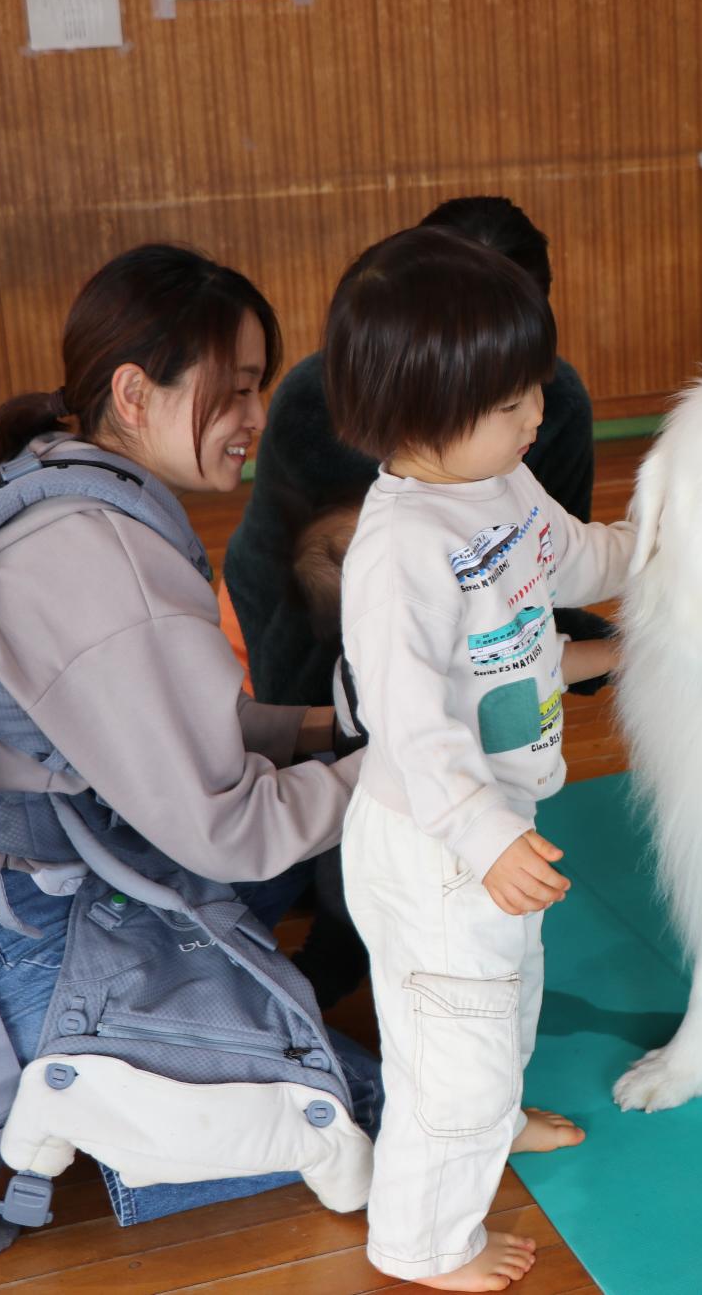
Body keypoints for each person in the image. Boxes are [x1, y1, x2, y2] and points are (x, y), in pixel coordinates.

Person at [0, 244, 379, 1247]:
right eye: (236, 389)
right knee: (360, 1104)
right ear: (133, 392)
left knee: (280, 870)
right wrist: (395, 765)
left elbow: (141, 725)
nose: (255, 416)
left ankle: (17, 1051)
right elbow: (228, 827)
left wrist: (317, 734)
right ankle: (7, 1086)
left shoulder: (39, 471)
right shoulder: (110, 555)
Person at [327, 226, 632, 1290]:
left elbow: (573, 557)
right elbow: (411, 728)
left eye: (531, 387)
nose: (536, 414)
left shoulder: (499, 480)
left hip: (498, 823)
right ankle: (422, 1242)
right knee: (451, 1045)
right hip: (436, 842)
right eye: (509, 402)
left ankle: (492, 1119)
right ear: (420, 413)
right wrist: (485, 833)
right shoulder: (398, 551)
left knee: (504, 997)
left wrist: (665, 550)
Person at [222, 195, 604, 1005]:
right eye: (508, 396)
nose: (531, 409)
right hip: (308, 599)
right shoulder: (324, 402)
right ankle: (337, 933)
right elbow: (324, 576)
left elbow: (549, 563)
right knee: (371, 763)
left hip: (465, 623)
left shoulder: (549, 407)